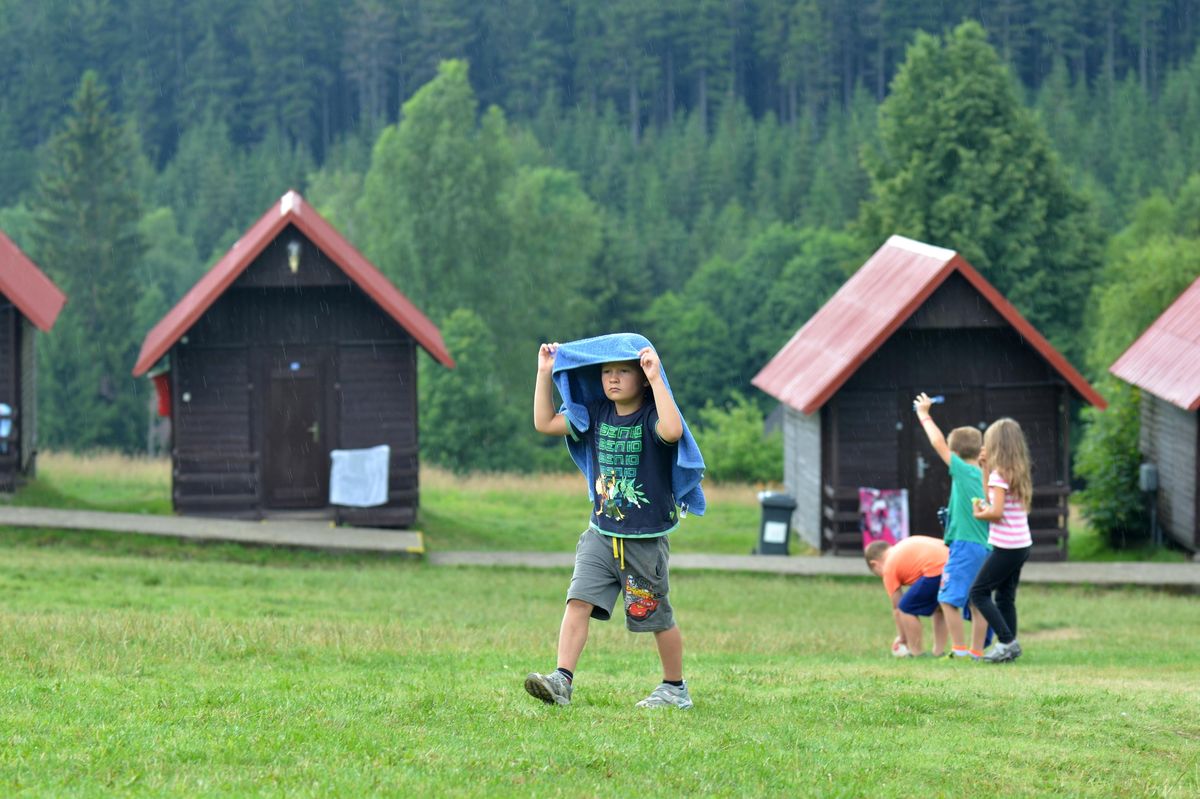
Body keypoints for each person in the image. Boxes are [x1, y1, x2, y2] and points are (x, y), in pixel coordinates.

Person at [524, 336, 700, 709]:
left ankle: (675, 688)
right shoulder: (594, 413)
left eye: (623, 371)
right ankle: (562, 680)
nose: (613, 379)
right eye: (607, 372)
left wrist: (656, 379)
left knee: (655, 616)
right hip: (600, 534)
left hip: (644, 539)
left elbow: (673, 431)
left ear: (640, 376)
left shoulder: (652, 415)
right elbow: (544, 423)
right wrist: (544, 374)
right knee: (577, 602)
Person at [913, 392, 992, 660]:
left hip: (965, 544)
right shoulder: (987, 475)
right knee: (978, 601)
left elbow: (937, 443)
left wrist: (924, 414)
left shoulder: (962, 470)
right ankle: (977, 651)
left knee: (947, 599)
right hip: (986, 547)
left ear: (956, 451)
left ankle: (958, 650)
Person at [970, 418, 1034, 663]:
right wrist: (985, 466)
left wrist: (980, 514)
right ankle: (1009, 648)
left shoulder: (999, 475)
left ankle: (1007, 641)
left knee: (978, 592)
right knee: (1005, 597)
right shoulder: (1016, 472)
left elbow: (995, 512)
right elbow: (994, 497)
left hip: (1007, 547)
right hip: (1021, 545)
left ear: (996, 444)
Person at [864, 535, 949, 657]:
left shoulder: (888, 566)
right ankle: (939, 651)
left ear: (875, 564)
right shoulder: (901, 547)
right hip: (952, 563)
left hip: (935, 569)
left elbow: (897, 608)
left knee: (906, 608)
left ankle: (916, 652)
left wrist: (903, 638)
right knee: (939, 608)